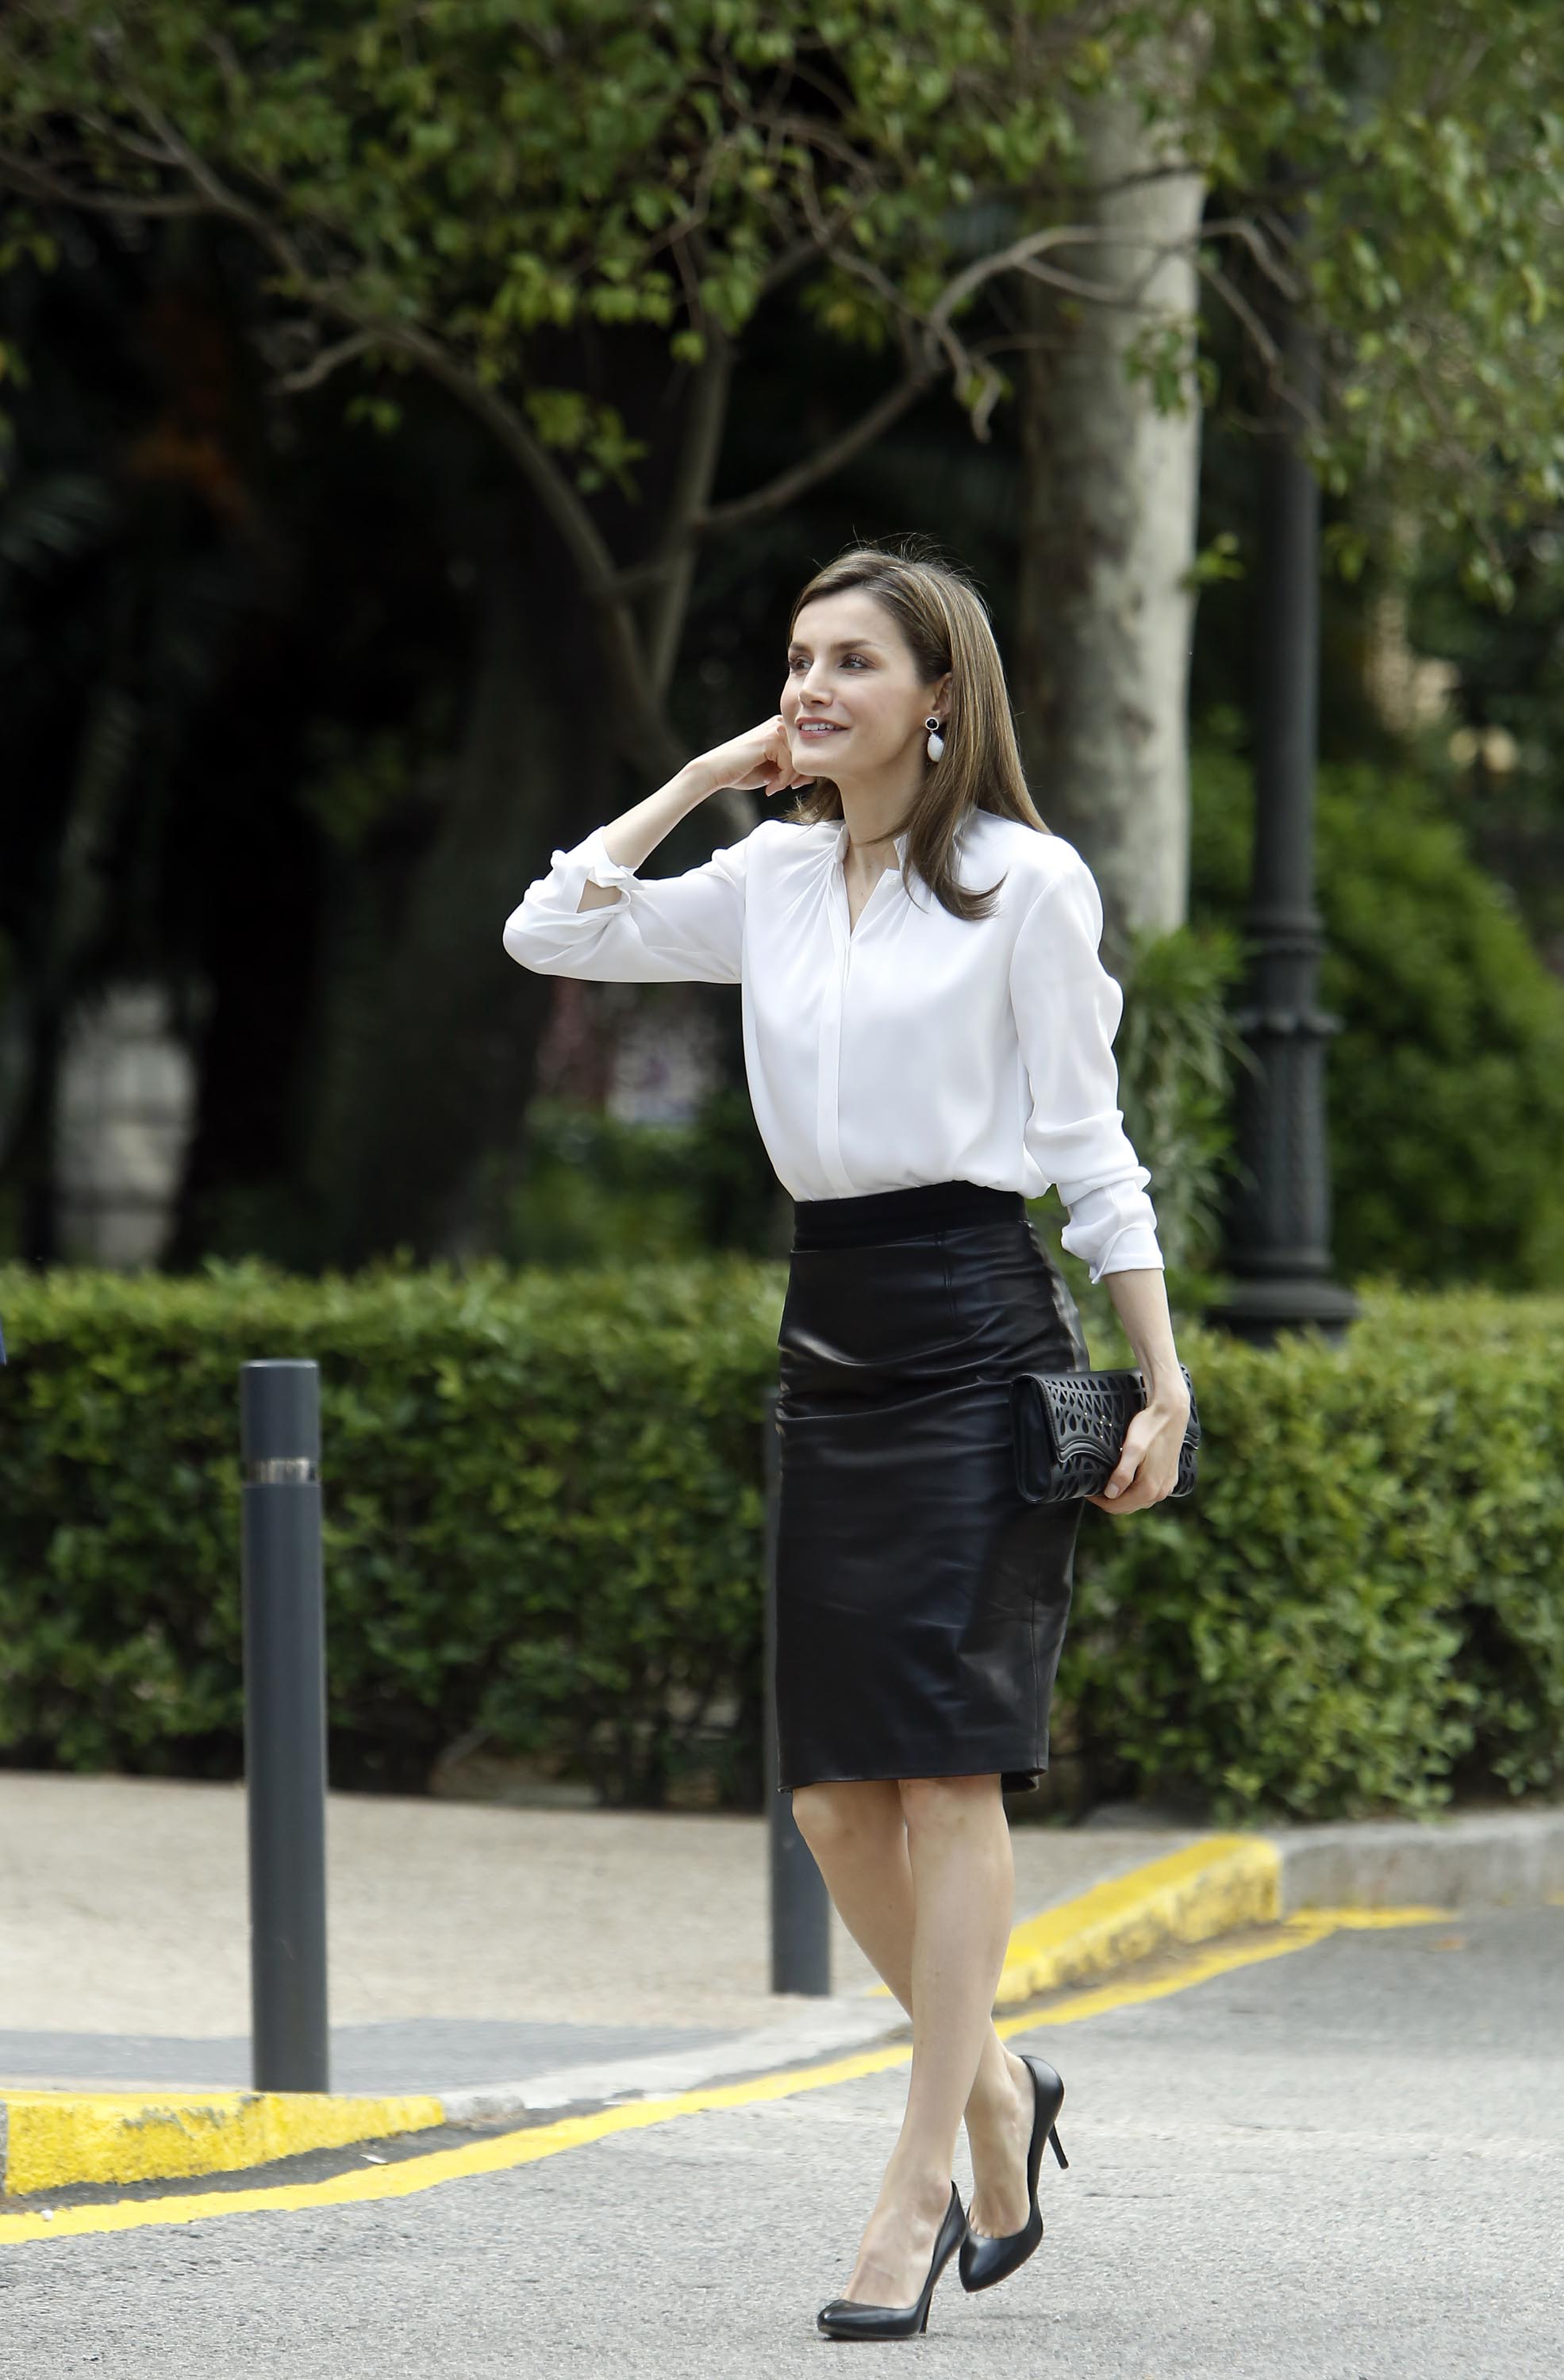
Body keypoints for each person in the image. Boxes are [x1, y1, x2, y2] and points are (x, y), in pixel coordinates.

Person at [501, 536, 1190, 2340]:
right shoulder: (769, 878)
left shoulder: (1027, 886)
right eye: (795, 659)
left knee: (945, 1773)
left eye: (850, 664)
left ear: (937, 698)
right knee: (825, 1798)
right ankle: (995, 2092)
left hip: (975, 1335)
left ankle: (912, 2193)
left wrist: (1161, 1378)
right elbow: (548, 926)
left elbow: (1093, 1145)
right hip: (829, 1346)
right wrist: (707, 778)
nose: (810, 688)